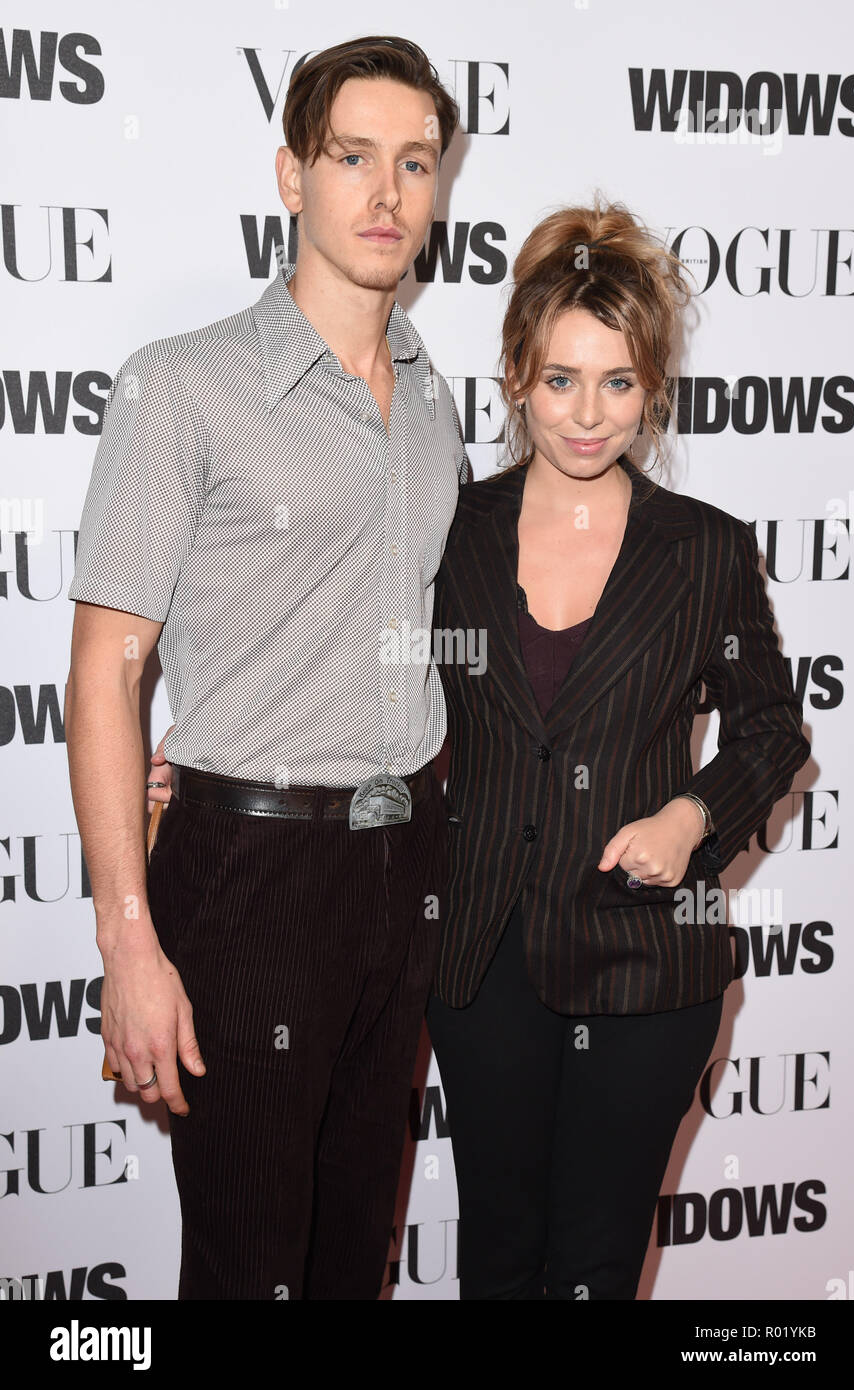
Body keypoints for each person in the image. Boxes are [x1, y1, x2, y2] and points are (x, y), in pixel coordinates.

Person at [65, 36, 469, 1301]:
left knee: (353, 1259)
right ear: (291, 173)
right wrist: (128, 939)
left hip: (401, 867)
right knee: (246, 1270)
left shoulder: (434, 397)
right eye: (354, 157)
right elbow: (101, 676)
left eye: (415, 163)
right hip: (247, 879)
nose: (387, 194)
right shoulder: (178, 388)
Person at [423, 199, 812, 1299]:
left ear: (651, 387)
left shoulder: (703, 551)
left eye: (617, 382)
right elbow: (374, 700)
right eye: (559, 379)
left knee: (593, 1269)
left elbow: (768, 726)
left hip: (646, 962)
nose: (587, 415)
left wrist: (692, 819)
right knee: (497, 1257)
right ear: (511, 375)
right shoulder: (447, 536)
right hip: (482, 958)